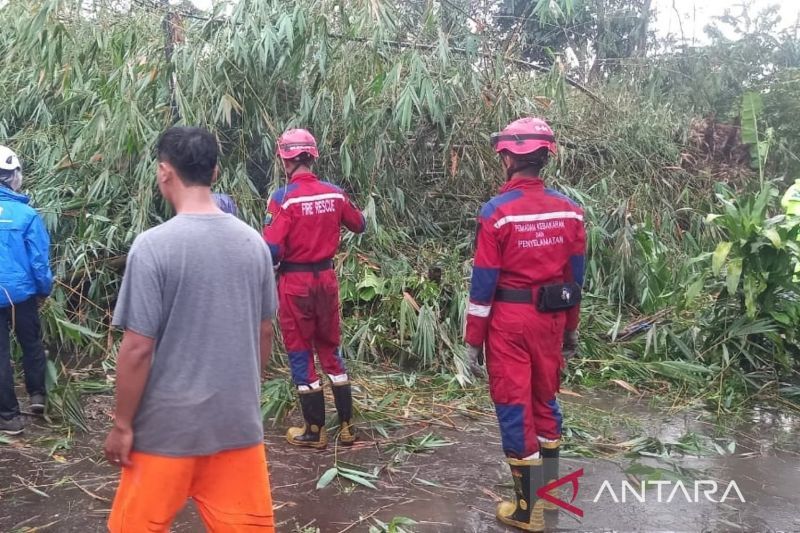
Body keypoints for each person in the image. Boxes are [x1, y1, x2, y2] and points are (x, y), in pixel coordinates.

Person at [104, 127, 277, 532]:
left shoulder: (153, 247)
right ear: (215, 172)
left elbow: (136, 349)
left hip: (167, 432)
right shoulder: (253, 244)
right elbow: (264, 333)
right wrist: (244, 395)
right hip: (237, 427)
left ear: (165, 172)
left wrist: (123, 425)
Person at [464, 118, 586, 531]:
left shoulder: (496, 214)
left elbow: (483, 284)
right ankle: (546, 500)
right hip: (551, 320)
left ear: (510, 158)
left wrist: (471, 342)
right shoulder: (570, 211)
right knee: (545, 401)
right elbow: (575, 279)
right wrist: (571, 327)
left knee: (515, 406)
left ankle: (526, 511)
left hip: (510, 323)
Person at [263, 128, 365, 449]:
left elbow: (272, 250)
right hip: (326, 280)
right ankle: (347, 427)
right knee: (330, 348)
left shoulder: (283, 198)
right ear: (312, 156)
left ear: (285, 160)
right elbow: (359, 224)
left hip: (295, 283)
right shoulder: (334, 193)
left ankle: (315, 430)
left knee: (300, 351)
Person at [0, 145, 53, 435]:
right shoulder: (26, 214)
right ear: (13, 176)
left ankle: (8, 417)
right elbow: (39, 261)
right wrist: (44, 289)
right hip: (22, 293)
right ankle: (37, 396)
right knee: (31, 343)